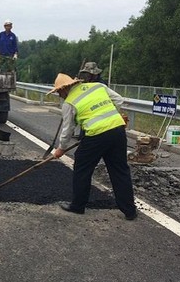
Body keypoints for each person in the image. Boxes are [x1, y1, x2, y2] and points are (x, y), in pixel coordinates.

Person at [47, 73, 137, 220]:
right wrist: (109, 115)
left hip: (96, 136)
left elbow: (68, 130)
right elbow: (119, 100)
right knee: (120, 170)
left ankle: (78, 205)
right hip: (117, 130)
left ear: (64, 89)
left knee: (82, 167)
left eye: (58, 92)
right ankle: (130, 211)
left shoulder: (69, 103)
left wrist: (61, 149)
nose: (59, 95)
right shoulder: (98, 86)